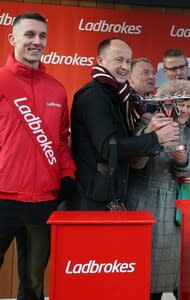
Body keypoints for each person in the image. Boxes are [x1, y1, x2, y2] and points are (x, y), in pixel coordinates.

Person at [0, 12, 76, 300]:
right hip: (2, 197)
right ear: (13, 38)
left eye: (42, 36)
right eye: (30, 34)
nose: (37, 41)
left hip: (43, 201)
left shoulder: (56, 88)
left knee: (33, 281)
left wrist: (67, 174)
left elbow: (60, 140)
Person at [69, 37, 179, 210]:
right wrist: (155, 138)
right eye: (119, 60)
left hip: (108, 194)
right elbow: (108, 147)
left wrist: (149, 128)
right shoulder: (94, 96)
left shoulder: (118, 95)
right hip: (92, 199)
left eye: (128, 61)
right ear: (100, 61)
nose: (125, 67)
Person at [126, 79, 190, 300]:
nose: (186, 109)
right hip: (143, 203)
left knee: (162, 279)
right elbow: (133, 163)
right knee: (140, 274)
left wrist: (183, 160)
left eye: (189, 105)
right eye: (182, 104)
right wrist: (153, 138)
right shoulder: (148, 123)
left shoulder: (187, 133)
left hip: (172, 209)